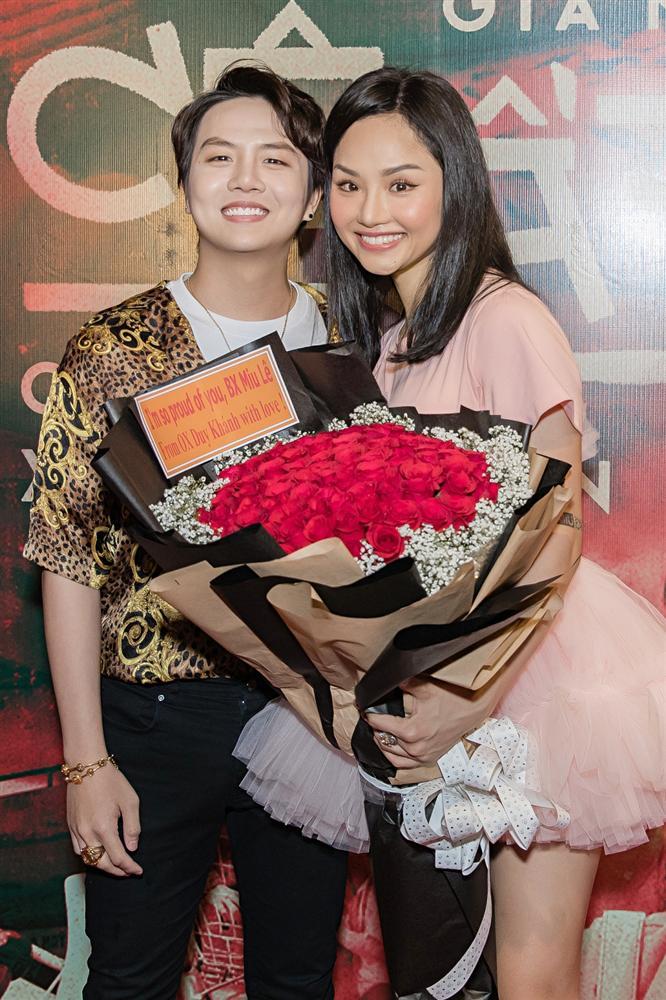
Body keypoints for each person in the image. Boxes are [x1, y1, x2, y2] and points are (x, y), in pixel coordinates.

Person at [323, 67, 665, 1000]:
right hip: (437, 667)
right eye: (348, 184)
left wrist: (472, 701)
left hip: (537, 673)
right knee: (454, 969)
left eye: (401, 183)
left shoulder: (505, 319)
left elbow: (556, 533)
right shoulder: (390, 344)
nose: (370, 211)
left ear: (456, 183)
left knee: (530, 967)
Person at [24, 64, 349, 1000]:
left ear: (314, 196)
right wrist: (86, 761)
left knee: (298, 978)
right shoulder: (114, 350)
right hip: (154, 715)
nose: (245, 179)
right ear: (185, 182)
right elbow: (67, 556)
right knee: (128, 980)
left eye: (275, 159)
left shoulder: (352, 347)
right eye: (218, 157)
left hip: (308, 714)